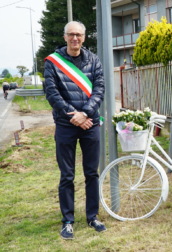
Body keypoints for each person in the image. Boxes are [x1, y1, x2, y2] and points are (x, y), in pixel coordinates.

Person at [44, 21, 106, 239]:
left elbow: (99, 89)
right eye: (71, 35)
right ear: (65, 37)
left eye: (78, 35)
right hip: (66, 124)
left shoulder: (94, 60)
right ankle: (68, 221)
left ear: (84, 37)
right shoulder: (53, 62)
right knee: (67, 175)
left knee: (91, 173)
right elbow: (53, 94)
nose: (75, 38)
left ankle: (92, 216)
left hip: (89, 123)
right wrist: (75, 116)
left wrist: (86, 114)